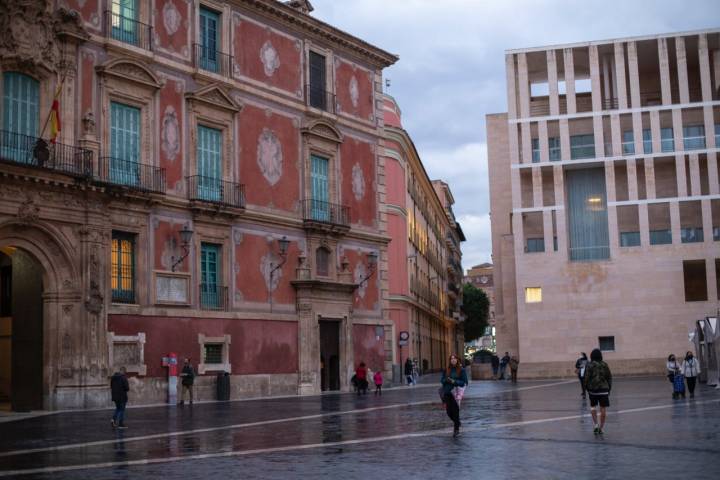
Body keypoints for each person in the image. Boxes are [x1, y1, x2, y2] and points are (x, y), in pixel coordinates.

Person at [583, 348, 612, 435]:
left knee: (593, 407)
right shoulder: (604, 364)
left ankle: (596, 425)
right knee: (603, 408)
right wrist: (609, 388)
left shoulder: (589, 365)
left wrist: (586, 388)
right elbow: (609, 377)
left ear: (592, 356)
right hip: (604, 390)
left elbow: (586, 378)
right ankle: (601, 428)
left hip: (593, 390)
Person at [440, 354, 468, 437]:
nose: (453, 360)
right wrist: (446, 380)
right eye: (451, 359)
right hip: (447, 392)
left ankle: (456, 430)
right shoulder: (446, 369)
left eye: (454, 358)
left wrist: (454, 382)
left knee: (455, 411)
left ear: (457, 360)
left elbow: (464, 382)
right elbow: (442, 380)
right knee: (449, 412)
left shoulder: (461, 370)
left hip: (456, 392)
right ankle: (458, 422)